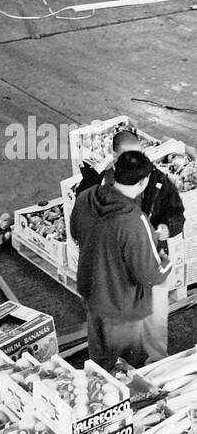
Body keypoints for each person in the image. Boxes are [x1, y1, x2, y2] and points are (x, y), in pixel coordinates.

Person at [76, 129, 185, 361]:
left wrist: (168, 227)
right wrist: (165, 264)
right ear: (115, 159)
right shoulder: (134, 220)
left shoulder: (90, 195)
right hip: (126, 293)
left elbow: (77, 230)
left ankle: (118, 370)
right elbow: (150, 273)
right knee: (126, 356)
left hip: (98, 285)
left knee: (112, 346)